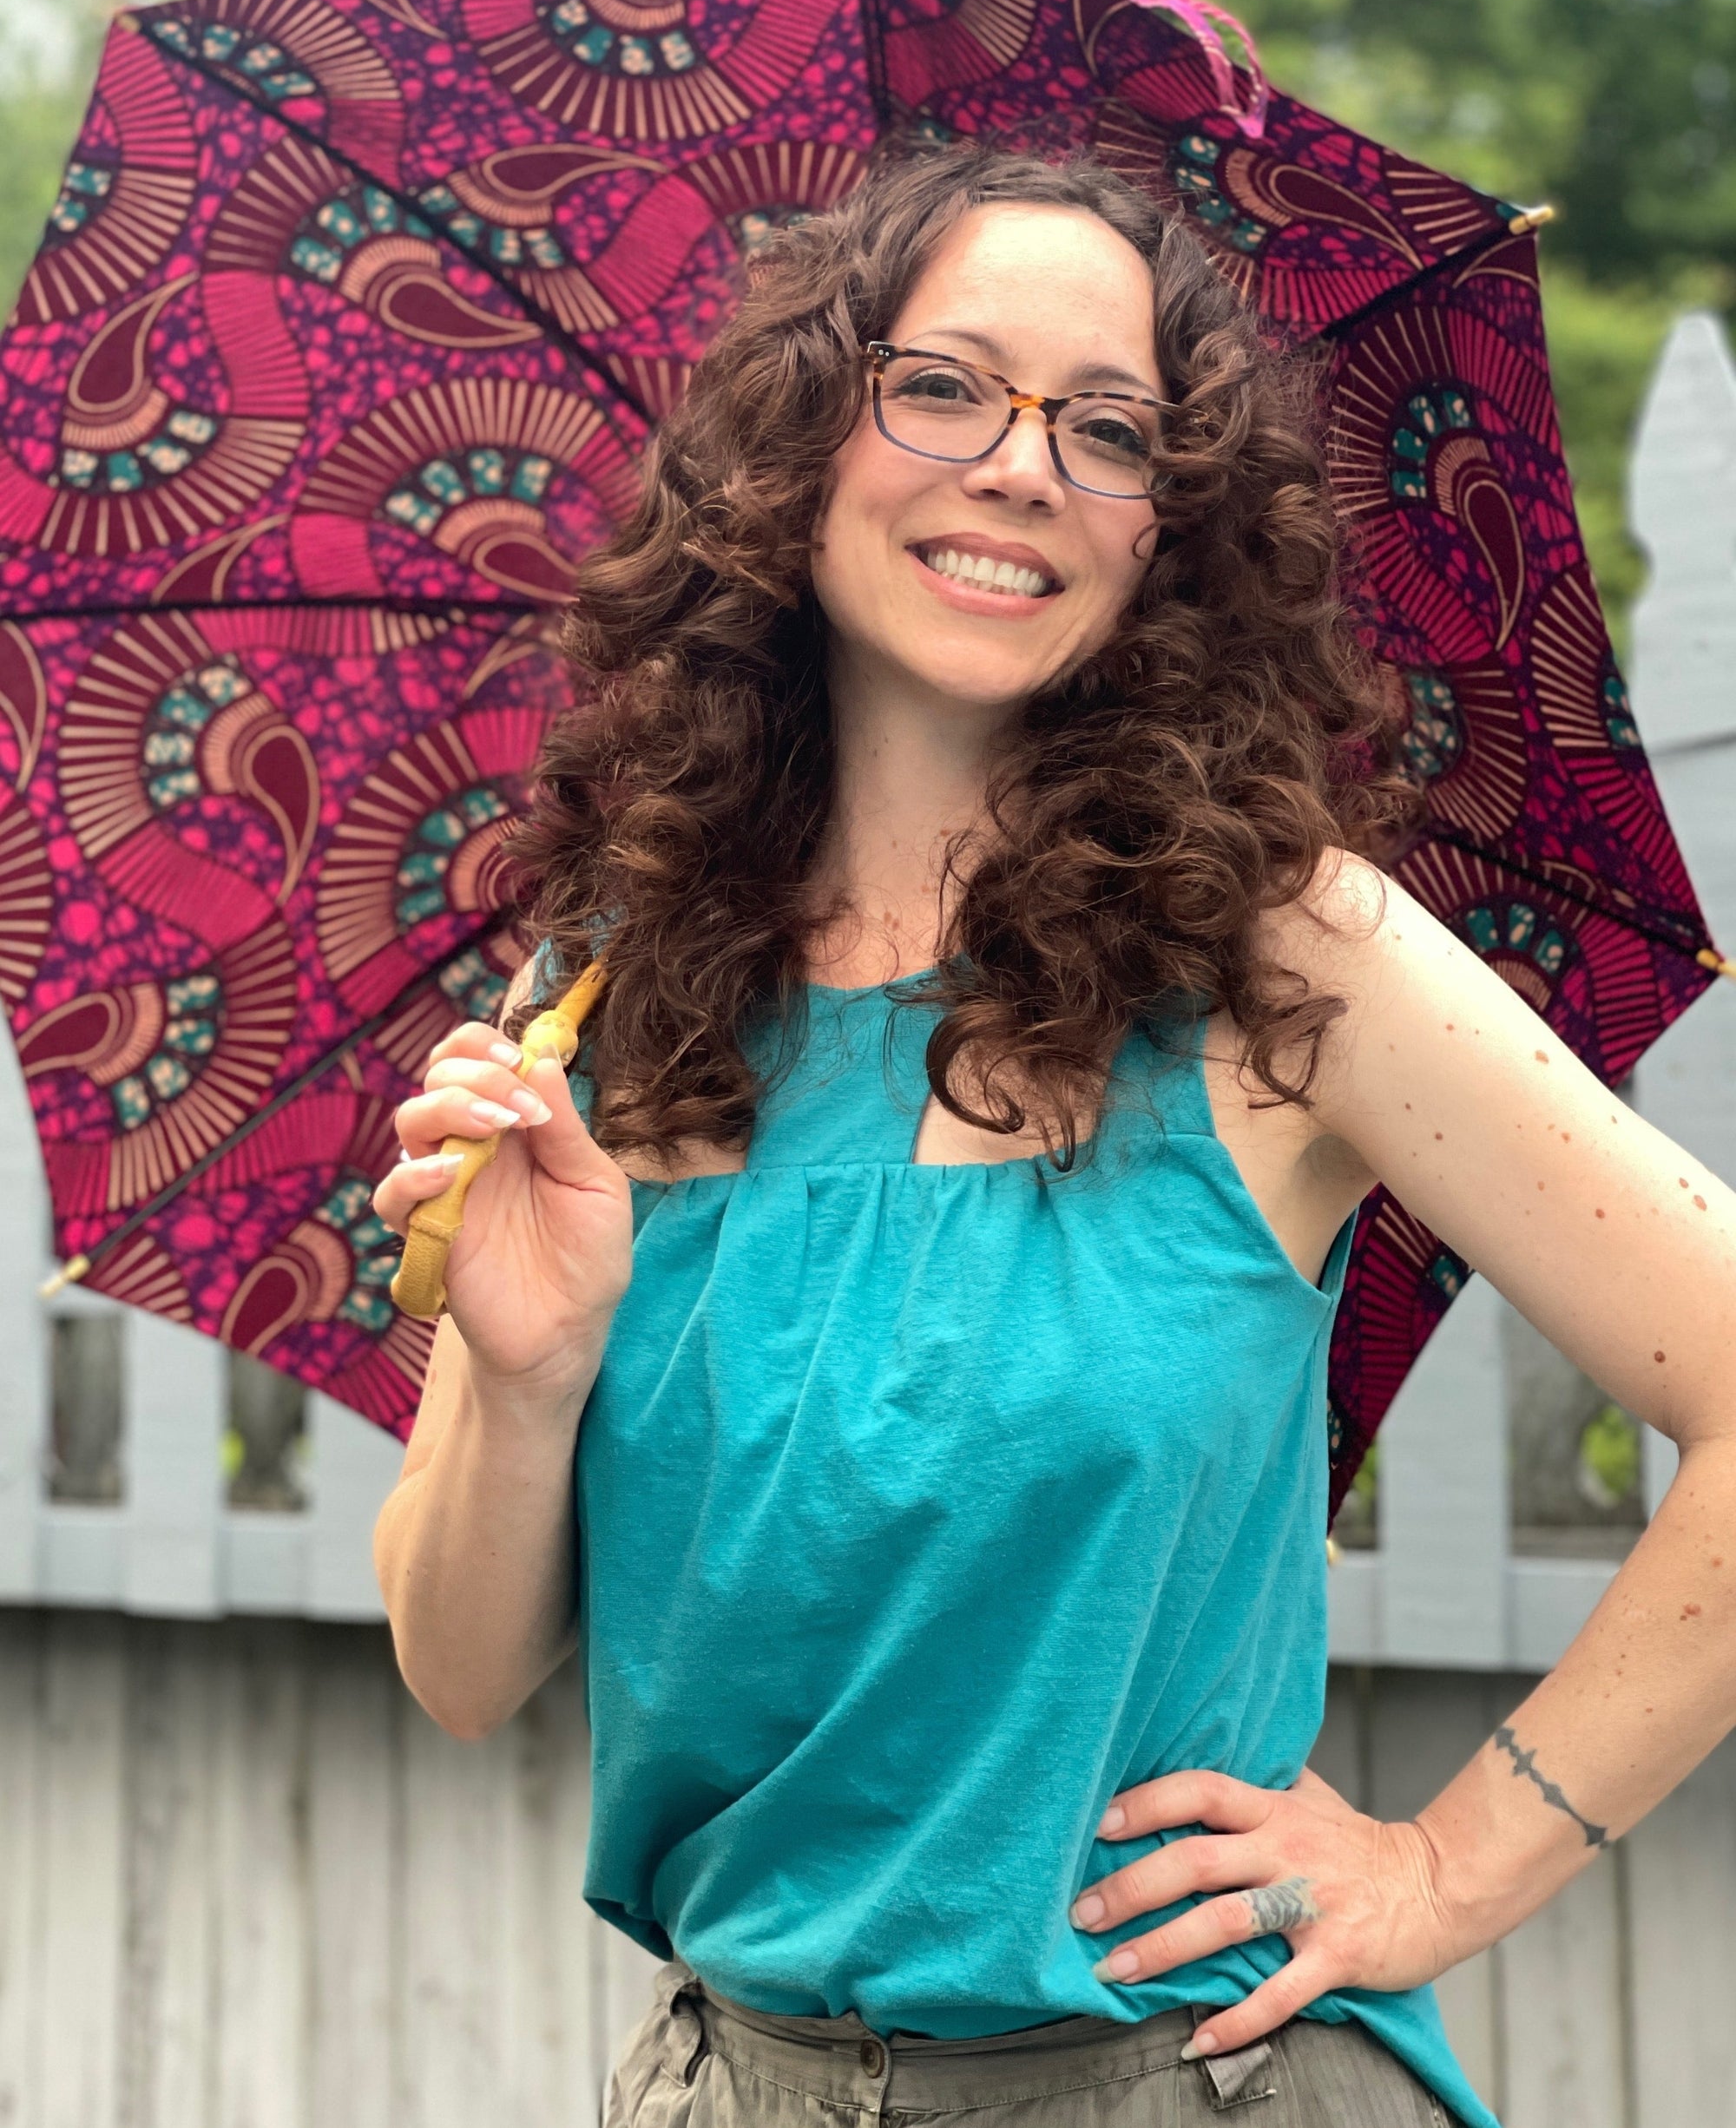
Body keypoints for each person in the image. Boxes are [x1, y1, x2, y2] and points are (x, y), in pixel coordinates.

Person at [370, 145, 1736, 2128]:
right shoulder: (616, 983)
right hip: (716, 2087)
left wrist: (1453, 1862)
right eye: (944, 386)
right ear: (797, 443)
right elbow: (463, 1671)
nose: (1022, 467)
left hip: (1167, 2086)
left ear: (1165, 529)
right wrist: (525, 1373)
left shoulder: (1284, 952)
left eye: (1109, 429)